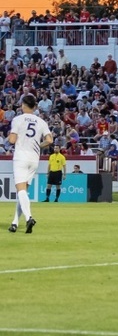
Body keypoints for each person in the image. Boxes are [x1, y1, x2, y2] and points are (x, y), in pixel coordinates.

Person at [6, 95, 50, 233]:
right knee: (23, 192)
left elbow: (12, 140)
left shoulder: (18, 119)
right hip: (34, 158)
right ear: (35, 107)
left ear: (23, 105)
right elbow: (49, 140)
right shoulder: (41, 121)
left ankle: (29, 217)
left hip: (21, 157)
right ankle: (14, 223)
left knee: (21, 191)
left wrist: (9, 136)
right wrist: (39, 145)